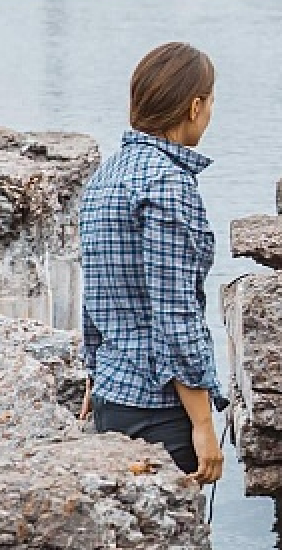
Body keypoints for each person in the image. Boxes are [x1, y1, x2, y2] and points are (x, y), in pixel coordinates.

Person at [79, 42, 226, 483]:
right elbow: (175, 313)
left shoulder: (107, 174)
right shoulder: (166, 184)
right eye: (211, 101)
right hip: (159, 408)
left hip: (112, 396)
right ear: (195, 105)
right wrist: (202, 422)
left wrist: (94, 374)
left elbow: (95, 291)